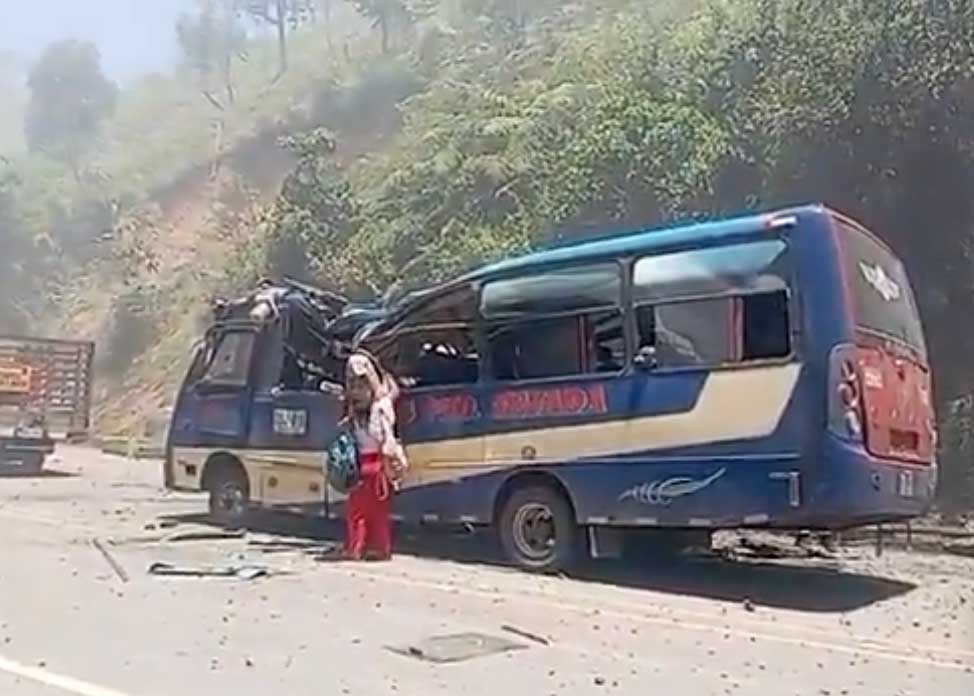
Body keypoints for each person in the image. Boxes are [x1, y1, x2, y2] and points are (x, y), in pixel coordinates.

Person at [341, 350, 407, 561]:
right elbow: (393, 391)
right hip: (381, 469)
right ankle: (380, 549)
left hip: (364, 467)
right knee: (379, 514)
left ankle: (355, 548)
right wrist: (385, 376)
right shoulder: (382, 407)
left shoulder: (354, 412)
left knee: (357, 513)